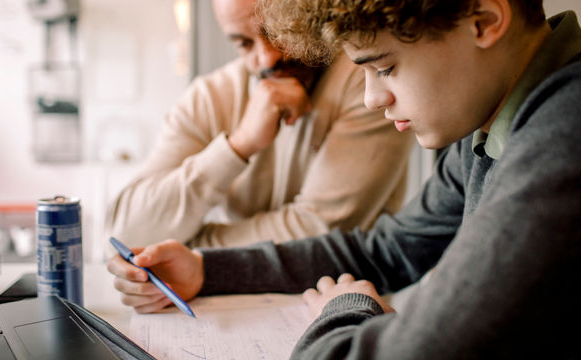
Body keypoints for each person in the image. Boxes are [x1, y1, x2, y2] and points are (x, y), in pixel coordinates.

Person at [107, 0, 581, 358]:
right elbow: (385, 251)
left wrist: (348, 312)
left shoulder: (563, 135)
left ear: (483, 21)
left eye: (385, 67)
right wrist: (207, 271)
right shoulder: (486, 128)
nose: (373, 97)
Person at [105, 0, 413, 249]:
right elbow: (124, 232)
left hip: (341, 309)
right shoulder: (209, 97)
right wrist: (237, 147)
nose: (267, 58)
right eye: (243, 43)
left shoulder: (367, 77)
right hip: (224, 306)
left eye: (276, 32)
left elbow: (320, 231)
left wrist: (187, 248)